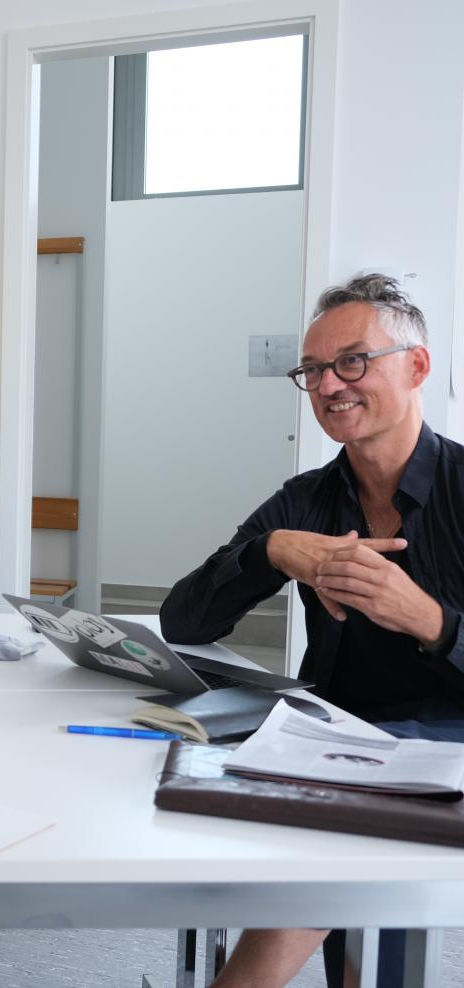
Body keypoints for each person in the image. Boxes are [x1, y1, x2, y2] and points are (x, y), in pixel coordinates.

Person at [160, 274, 464, 988]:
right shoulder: (306, 501)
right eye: (314, 371)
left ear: (417, 366)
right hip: (336, 747)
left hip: (445, 751)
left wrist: (426, 618)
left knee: (344, 864)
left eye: (352, 361)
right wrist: (272, 551)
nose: (330, 386)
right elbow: (185, 618)